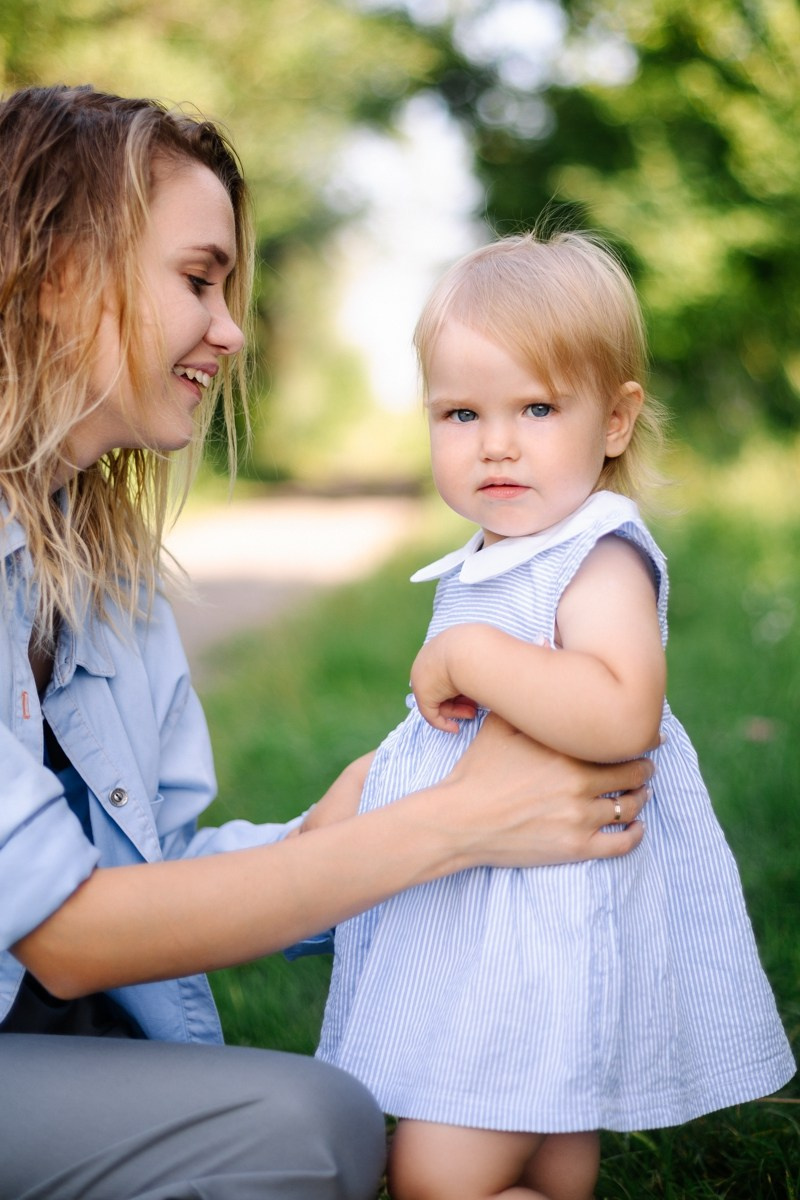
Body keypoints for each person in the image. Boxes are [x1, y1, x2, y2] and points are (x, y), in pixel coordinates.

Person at [0, 85, 656, 1200]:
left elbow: (149, 874)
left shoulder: (96, 571)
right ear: (59, 269)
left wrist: (345, 822)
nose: (229, 327)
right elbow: (64, 933)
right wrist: (453, 827)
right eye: (198, 279)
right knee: (317, 1127)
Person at [312, 231, 796, 1200]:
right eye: (460, 412)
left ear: (614, 422)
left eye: (535, 407)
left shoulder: (596, 552)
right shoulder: (499, 550)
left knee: (432, 1177)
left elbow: (622, 709)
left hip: (532, 950)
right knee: (531, 1169)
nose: (495, 441)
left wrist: (471, 655)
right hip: (490, 930)